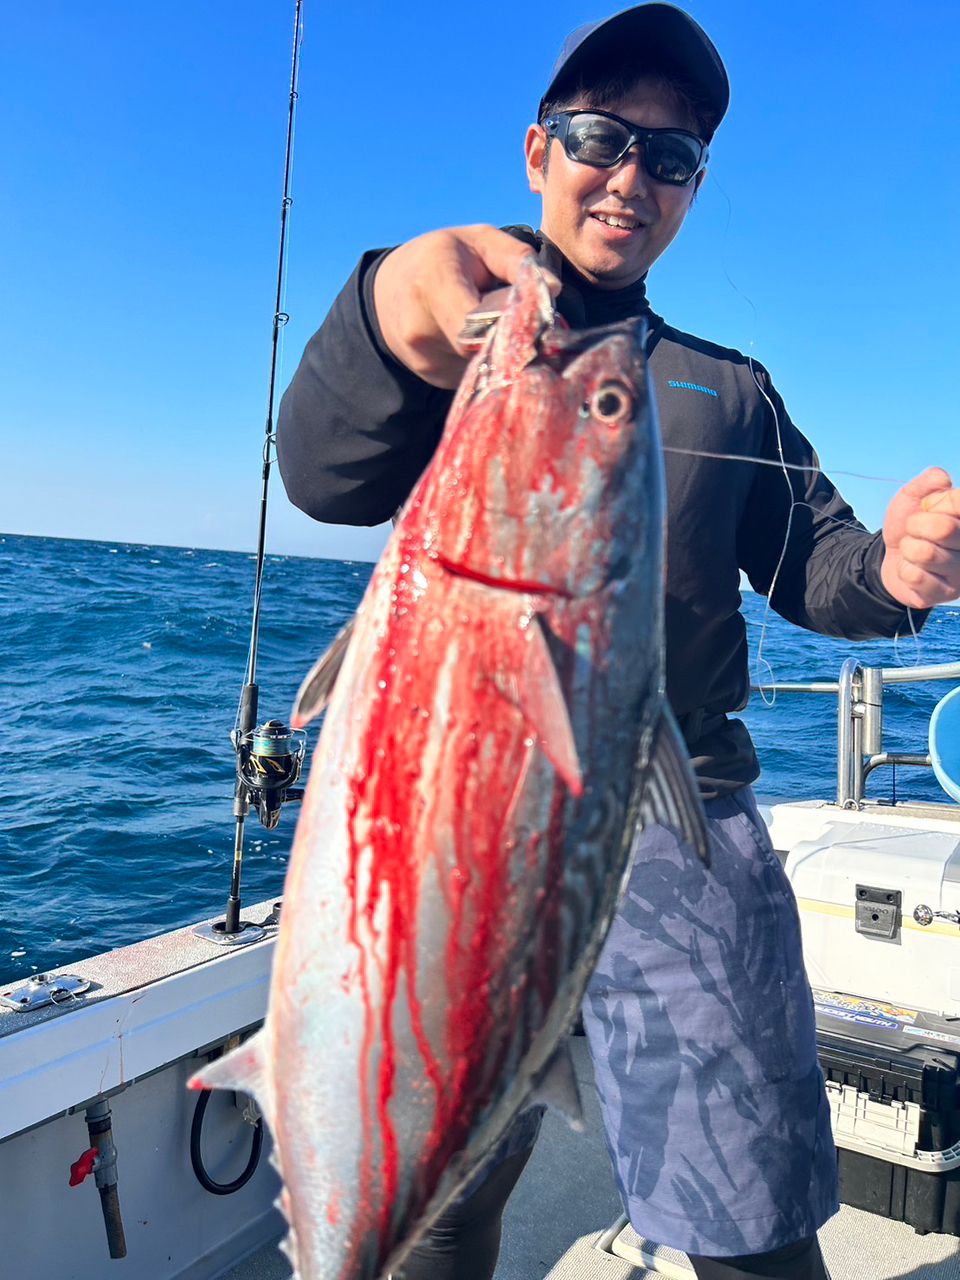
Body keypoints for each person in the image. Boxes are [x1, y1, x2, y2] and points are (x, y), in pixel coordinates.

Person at [276, 6, 960, 1278]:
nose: (631, 175)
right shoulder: (463, 328)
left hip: (682, 823)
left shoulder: (729, 385)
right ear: (539, 148)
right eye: (602, 137)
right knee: (436, 1197)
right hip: (463, 817)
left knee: (750, 1216)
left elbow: (816, 565)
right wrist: (384, 307)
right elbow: (322, 469)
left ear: (695, 188)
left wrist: (904, 574)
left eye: (674, 155)